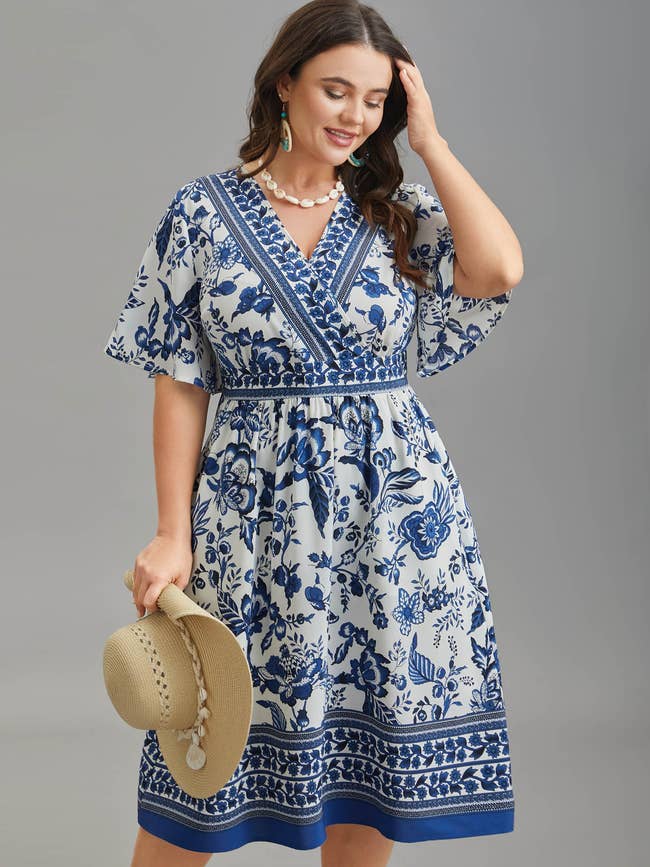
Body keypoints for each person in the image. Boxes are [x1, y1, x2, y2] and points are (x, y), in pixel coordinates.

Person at [103, 1, 523, 864]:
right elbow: (178, 379)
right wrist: (172, 531)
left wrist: (431, 142)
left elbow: (497, 269)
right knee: (200, 767)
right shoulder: (202, 213)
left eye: (375, 101)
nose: (354, 117)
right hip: (248, 522)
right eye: (336, 90)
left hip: (390, 520)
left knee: (370, 778)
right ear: (285, 82)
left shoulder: (398, 212)